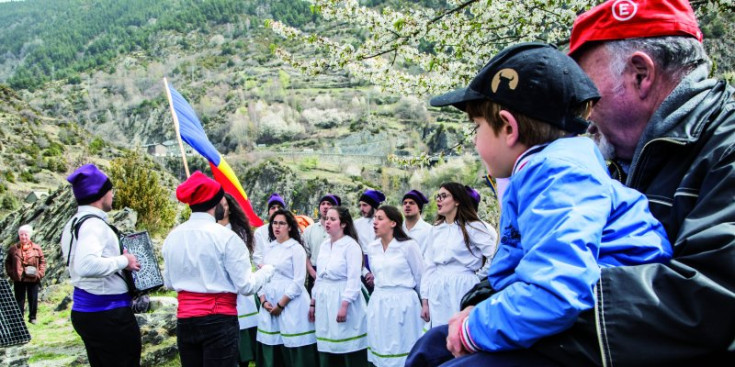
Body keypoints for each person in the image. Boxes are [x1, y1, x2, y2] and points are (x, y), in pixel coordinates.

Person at [407, 41, 674, 366]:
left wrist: (472, 329)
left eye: (477, 127)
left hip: (602, 330)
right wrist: (480, 309)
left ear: (508, 127)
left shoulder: (554, 174)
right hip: (565, 315)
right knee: (431, 348)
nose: (475, 140)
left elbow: (555, 290)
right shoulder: (546, 170)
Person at [531, 1, 735, 365]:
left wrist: (534, 303)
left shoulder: (727, 145)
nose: (581, 116)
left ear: (641, 74)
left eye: (586, 94)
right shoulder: (620, 159)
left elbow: (711, 294)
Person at [162, 171, 274, 367]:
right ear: (214, 204)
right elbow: (246, 286)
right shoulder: (226, 238)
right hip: (219, 321)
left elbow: (169, 282)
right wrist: (267, 271)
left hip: (185, 320)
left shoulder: (173, 237)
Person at [59, 163, 142, 367]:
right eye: (110, 190)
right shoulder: (93, 225)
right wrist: (125, 261)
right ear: (100, 194)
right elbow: (86, 265)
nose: (112, 195)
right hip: (107, 314)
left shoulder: (73, 224)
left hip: (89, 311)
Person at [419, 182, 497, 330]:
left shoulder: (473, 227)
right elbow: (429, 265)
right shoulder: (436, 229)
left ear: (457, 201)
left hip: (462, 286)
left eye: (444, 196)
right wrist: (425, 299)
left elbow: (494, 255)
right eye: (438, 196)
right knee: (439, 332)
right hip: (437, 287)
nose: (439, 200)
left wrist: (477, 277)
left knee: (459, 330)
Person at [256, 209, 318, 367]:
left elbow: (298, 281)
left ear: (290, 227)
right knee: (273, 348)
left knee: (293, 348)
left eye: (282, 223)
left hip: (291, 305)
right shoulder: (269, 248)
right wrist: (263, 301)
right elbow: (261, 276)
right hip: (269, 305)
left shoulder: (296, 248)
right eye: (274, 223)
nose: (277, 227)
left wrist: (280, 305)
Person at [308, 206, 369, 367]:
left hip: (343, 298)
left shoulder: (351, 246)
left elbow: (354, 279)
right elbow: (319, 277)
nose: (327, 222)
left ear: (343, 224)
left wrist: (344, 304)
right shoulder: (324, 245)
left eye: (333, 219)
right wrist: (313, 303)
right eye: (327, 218)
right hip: (324, 299)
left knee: (348, 343)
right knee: (329, 345)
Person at [365, 205, 424, 367]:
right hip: (379, 301)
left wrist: (425, 303)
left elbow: (420, 276)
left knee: (404, 346)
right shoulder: (372, 248)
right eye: (374, 218)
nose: (375, 222)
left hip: (404, 302)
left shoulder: (408, 246)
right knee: (382, 346)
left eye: (380, 218)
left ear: (393, 223)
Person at [218, 193, 258, 367]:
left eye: (225, 205)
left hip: (239, 289)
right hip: (220, 290)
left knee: (242, 345)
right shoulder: (210, 231)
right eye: (218, 205)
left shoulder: (238, 231)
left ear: (230, 208)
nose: (222, 208)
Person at [5, 225, 46, 325]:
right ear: (19, 235)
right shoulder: (13, 249)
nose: (23, 237)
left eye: (26, 234)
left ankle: (32, 317)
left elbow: (42, 262)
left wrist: (40, 274)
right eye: (21, 234)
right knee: (19, 299)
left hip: (33, 278)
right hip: (19, 279)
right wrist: (12, 274)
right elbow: (8, 262)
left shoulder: (37, 248)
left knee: (33, 299)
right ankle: (19, 319)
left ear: (30, 235)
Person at [303, 194, 341, 293]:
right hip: (314, 273)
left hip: (335, 276)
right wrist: (312, 272)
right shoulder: (309, 230)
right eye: (323, 204)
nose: (325, 206)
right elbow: (304, 254)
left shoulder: (341, 231)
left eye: (329, 204)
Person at [254, 193, 287, 267]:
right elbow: (257, 257)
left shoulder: (289, 231)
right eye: (273, 208)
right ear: (269, 212)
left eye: (279, 207)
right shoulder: (259, 232)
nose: (276, 210)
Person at [401, 190, 432, 255]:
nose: (407, 205)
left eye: (411, 203)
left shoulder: (429, 230)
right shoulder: (397, 229)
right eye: (405, 203)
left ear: (419, 208)